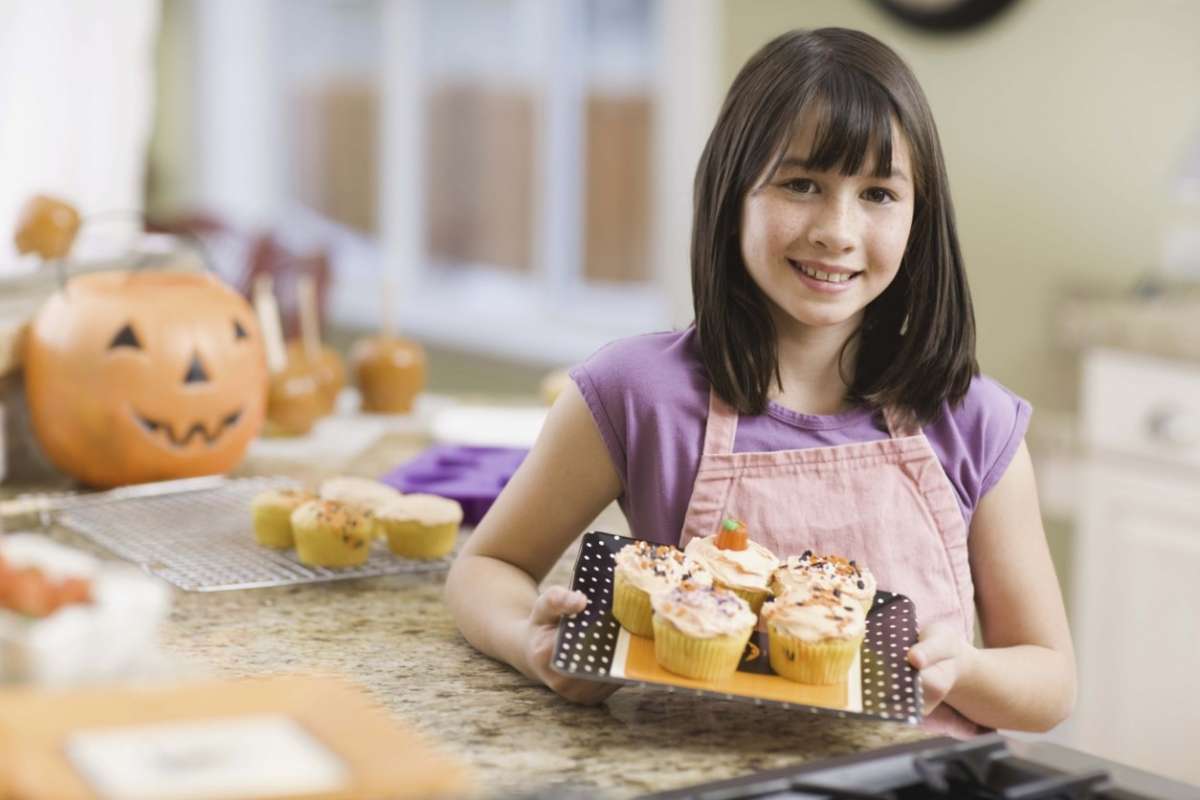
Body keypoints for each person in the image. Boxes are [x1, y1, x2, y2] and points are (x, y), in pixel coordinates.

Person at [445, 27, 1075, 737]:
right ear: (731, 191)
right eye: (801, 184)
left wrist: (964, 668)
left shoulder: (971, 420)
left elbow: (1049, 680)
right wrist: (529, 644)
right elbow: (486, 566)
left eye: (877, 193)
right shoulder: (635, 395)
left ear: (918, 217)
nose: (838, 230)